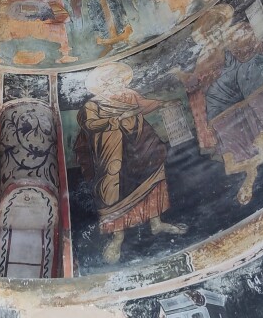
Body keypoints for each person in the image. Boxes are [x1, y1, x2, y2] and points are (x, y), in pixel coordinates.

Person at [76, 64, 186, 263]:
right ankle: (117, 236)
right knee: (114, 186)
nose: (118, 83)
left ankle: (156, 222)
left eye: (119, 79)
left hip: (141, 142)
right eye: (113, 80)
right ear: (103, 84)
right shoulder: (93, 105)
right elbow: (90, 124)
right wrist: (117, 119)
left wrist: (163, 103)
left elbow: (145, 104)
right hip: (113, 149)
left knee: (153, 172)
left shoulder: (129, 95)